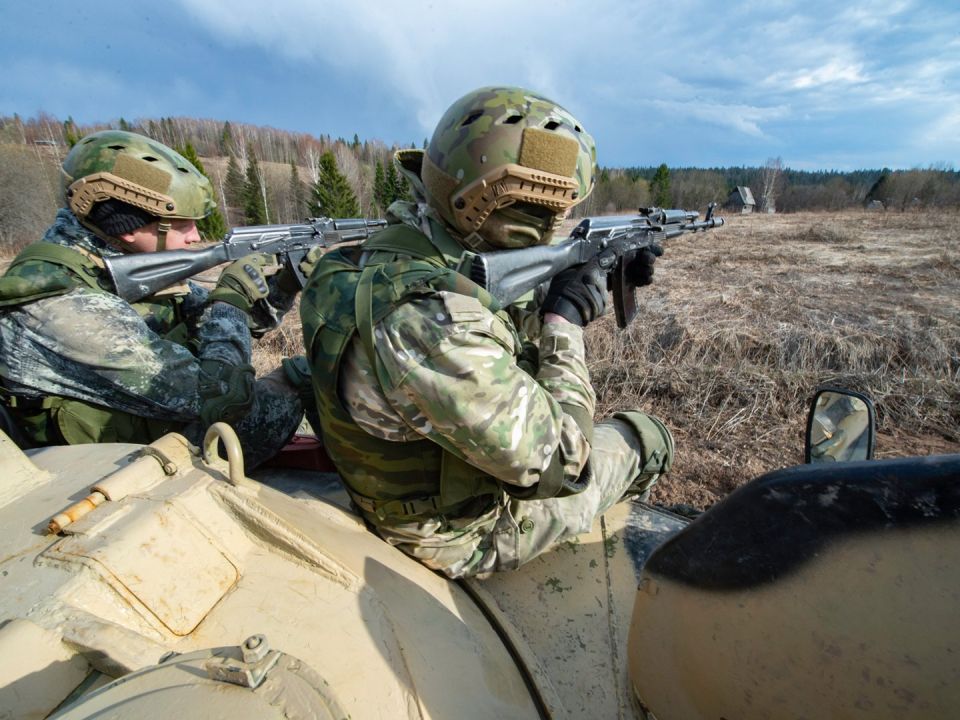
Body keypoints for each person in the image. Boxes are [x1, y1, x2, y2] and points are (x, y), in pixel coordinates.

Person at [300, 86, 674, 578]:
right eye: (540, 213)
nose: (551, 228)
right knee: (644, 436)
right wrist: (564, 324)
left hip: (396, 479)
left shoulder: (371, 259)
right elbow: (564, 464)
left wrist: (597, 276)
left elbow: (481, 308)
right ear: (482, 203)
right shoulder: (429, 321)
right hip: (458, 534)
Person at [0, 130, 310, 467]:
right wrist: (230, 299)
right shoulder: (60, 305)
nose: (195, 235)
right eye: (181, 224)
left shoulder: (112, 264)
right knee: (297, 384)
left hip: (146, 432)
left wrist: (282, 284)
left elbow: (220, 329)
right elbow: (220, 399)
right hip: (97, 476)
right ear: (129, 228)